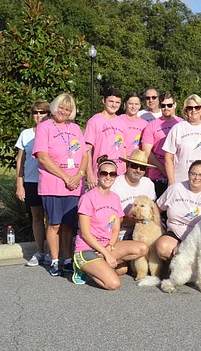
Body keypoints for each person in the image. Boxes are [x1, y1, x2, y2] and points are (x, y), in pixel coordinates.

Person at [34, 93, 89, 277]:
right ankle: (55, 260)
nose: (63, 111)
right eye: (61, 107)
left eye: (67, 109)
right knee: (55, 223)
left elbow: (85, 155)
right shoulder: (44, 127)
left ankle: (67, 259)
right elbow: (43, 157)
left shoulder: (75, 128)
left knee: (68, 225)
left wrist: (80, 175)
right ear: (54, 107)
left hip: (75, 186)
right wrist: (66, 177)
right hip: (53, 185)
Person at [72, 157, 148, 289]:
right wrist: (107, 254)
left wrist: (110, 247)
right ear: (98, 175)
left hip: (106, 245)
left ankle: (100, 265)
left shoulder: (115, 198)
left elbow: (115, 229)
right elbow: (85, 233)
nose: (108, 177)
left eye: (112, 174)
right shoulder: (87, 198)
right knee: (113, 284)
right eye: (104, 173)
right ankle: (80, 267)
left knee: (140, 250)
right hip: (87, 248)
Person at [154, 160, 201, 263]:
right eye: (193, 174)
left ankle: (193, 268)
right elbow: (156, 209)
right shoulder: (175, 188)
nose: (196, 178)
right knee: (163, 247)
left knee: (185, 253)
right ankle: (176, 266)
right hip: (175, 232)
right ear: (188, 174)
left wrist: (185, 245)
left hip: (200, 237)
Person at [162, 94, 201, 194]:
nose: (194, 110)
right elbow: (168, 157)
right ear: (185, 110)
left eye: (197, 107)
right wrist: (172, 182)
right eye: (190, 108)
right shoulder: (177, 128)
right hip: (181, 182)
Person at [15, 99, 50, 267]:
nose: (38, 115)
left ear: (48, 114)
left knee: (51, 219)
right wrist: (19, 184)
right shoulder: (26, 134)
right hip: (31, 181)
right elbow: (20, 160)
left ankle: (51, 252)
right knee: (37, 217)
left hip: (50, 181)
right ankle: (39, 251)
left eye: (42, 112)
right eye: (35, 112)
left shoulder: (52, 131)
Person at [141, 91, 182, 198]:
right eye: (163, 105)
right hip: (156, 176)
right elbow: (147, 151)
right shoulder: (152, 125)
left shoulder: (182, 124)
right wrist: (163, 169)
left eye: (169, 105)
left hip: (178, 176)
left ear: (175, 105)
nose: (166, 108)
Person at [110, 149, 157, 241]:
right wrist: (130, 219)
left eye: (142, 168)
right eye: (134, 166)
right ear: (127, 165)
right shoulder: (115, 185)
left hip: (143, 232)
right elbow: (108, 218)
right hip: (119, 233)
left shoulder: (148, 184)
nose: (138, 170)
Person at [84, 88, 126, 185]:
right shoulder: (94, 121)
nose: (114, 105)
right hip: (101, 173)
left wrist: (125, 171)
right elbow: (87, 150)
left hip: (119, 174)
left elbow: (124, 149)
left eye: (117, 102)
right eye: (111, 101)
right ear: (104, 100)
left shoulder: (122, 123)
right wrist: (89, 173)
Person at [119, 92, 148, 163]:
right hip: (120, 160)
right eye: (131, 104)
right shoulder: (118, 120)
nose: (133, 107)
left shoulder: (145, 124)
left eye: (136, 104)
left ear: (140, 106)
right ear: (125, 104)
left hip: (137, 161)